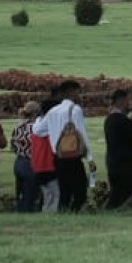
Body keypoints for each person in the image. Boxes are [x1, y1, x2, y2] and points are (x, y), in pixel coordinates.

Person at [39, 82, 91, 211]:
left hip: (58, 155)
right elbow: (82, 133)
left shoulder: (52, 111)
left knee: (64, 190)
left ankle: (63, 211)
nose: (79, 95)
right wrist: (90, 157)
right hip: (73, 154)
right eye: (77, 91)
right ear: (70, 92)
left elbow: (38, 130)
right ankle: (74, 212)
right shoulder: (75, 109)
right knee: (80, 190)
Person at [103, 89, 132, 209]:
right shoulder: (122, 120)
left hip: (113, 161)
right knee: (121, 193)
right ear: (121, 101)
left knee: (117, 192)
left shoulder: (109, 119)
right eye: (128, 99)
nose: (130, 103)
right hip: (124, 164)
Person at [10, 101, 42, 213]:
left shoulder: (18, 127)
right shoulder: (37, 128)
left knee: (20, 192)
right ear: (36, 113)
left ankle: (20, 211)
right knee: (30, 194)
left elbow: (13, 146)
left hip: (19, 161)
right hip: (31, 162)